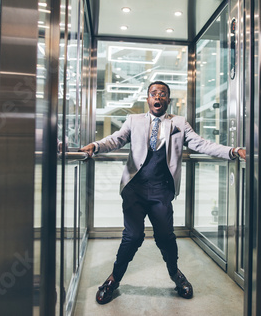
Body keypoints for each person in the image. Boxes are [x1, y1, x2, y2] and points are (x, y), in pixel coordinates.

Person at [79, 81, 246, 304]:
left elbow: (200, 143)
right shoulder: (134, 120)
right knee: (133, 237)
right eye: (154, 93)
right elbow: (116, 139)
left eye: (163, 94)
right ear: (148, 99)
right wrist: (96, 146)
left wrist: (232, 151)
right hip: (134, 190)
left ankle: (175, 275)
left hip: (161, 192)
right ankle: (113, 279)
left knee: (166, 237)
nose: (158, 97)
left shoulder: (178, 122)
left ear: (168, 100)